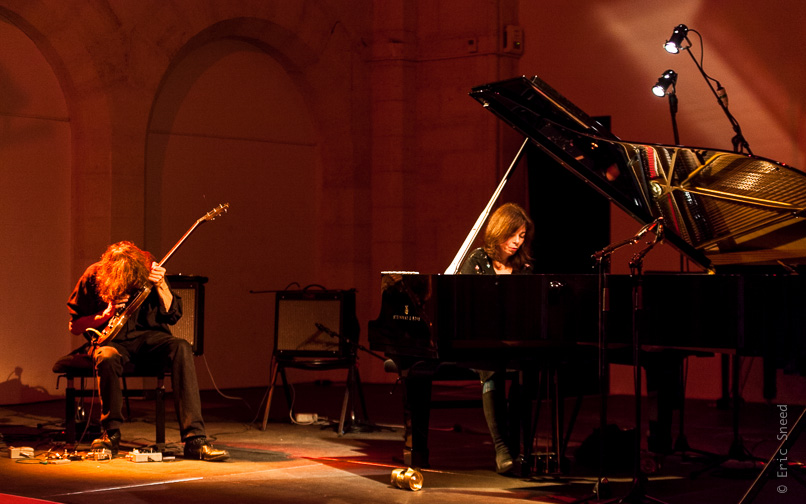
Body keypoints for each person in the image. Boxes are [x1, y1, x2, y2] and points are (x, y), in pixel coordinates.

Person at [67, 241, 229, 461]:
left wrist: (161, 285)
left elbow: (174, 314)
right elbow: (75, 326)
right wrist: (106, 313)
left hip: (150, 338)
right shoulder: (93, 275)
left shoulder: (150, 271)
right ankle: (111, 434)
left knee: (181, 347)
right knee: (106, 356)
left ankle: (194, 440)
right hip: (112, 341)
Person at [458, 202, 534, 474]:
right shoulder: (477, 261)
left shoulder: (523, 267)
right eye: (513, 234)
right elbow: (464, 305)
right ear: (499, 231)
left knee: (528, 367)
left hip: (513, 341)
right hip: (480, 341)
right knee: (491, 366)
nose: (517, 241)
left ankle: (518, 445)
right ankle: (501, 447)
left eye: (522, 236)